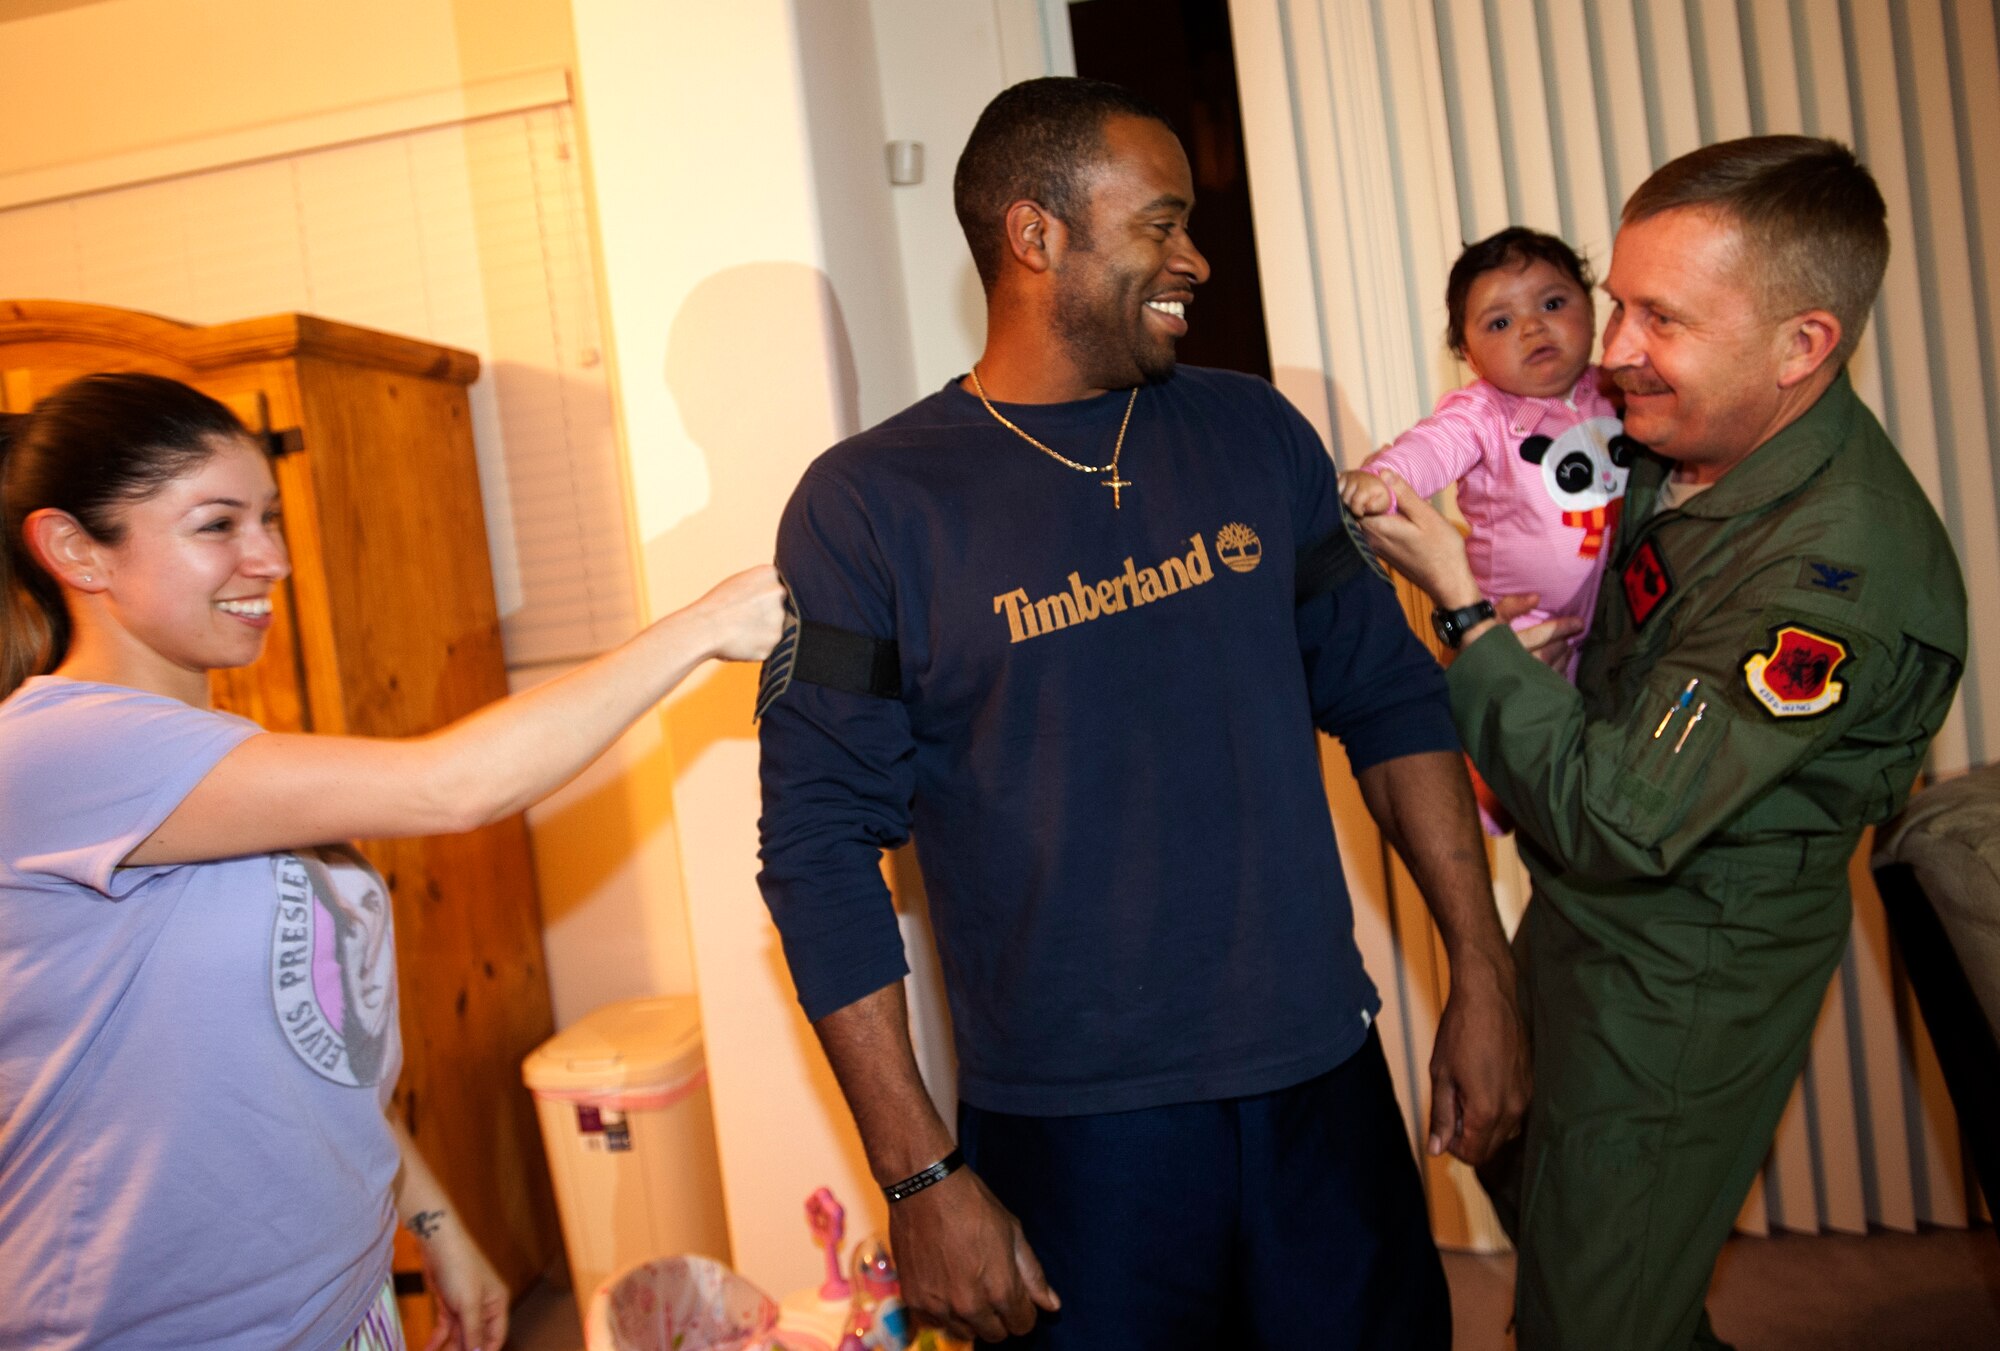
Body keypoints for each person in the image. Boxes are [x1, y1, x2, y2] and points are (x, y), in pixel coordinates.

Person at [755, 77, 1527, 1349]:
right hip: (1074, 1135)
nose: (1194, 258)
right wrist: (917, 1174)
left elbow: (1388, 699)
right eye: (1159, 225)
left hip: (1318, 1083)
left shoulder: (1252, 433)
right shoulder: (869, 504)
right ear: (1034, 235)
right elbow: (819, 847)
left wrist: (1481, 968)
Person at [0, 372, 785, 1351]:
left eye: (272, 519)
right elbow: (449, 787)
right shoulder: (56, 753)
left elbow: (315, 1046)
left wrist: (434, 1223)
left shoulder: (221, 755)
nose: (272, 558)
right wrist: (707, 624)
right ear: (76, 549)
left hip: (337, 1298)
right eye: (218, 525)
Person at [1356, 136, 1968, 1350]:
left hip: (1684, 968)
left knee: (1589, 1316)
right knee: (1542, 1192)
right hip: (1578, 917)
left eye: (1662, 320)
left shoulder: (1831, 574)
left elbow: (1623, 810)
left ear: (1801, 345)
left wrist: (1463, 615)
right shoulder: (1672, 431)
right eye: (1616, 302)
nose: (1612, 347)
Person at [1339, 227, 1637, 833]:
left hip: (1612, 623)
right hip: (1522, 619)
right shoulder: (1483, 415)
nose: (1532, 327)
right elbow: (1429, 448)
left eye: (1553, 304)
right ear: (1469, 356)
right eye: (1499, 322)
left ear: (1592, 307)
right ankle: (1468, 810)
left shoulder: (1616, 391)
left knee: (1590, 770)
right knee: (1503, 752)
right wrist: (1384, 478)